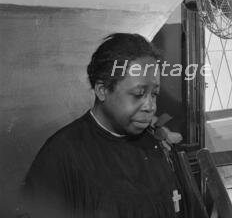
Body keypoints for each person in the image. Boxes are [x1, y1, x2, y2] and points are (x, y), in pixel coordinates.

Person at [20, 33, 188, 218]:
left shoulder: (155, 145)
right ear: (103, 90)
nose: (150, 106)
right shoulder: (61, 156)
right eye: (139, 94)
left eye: (154, 94)